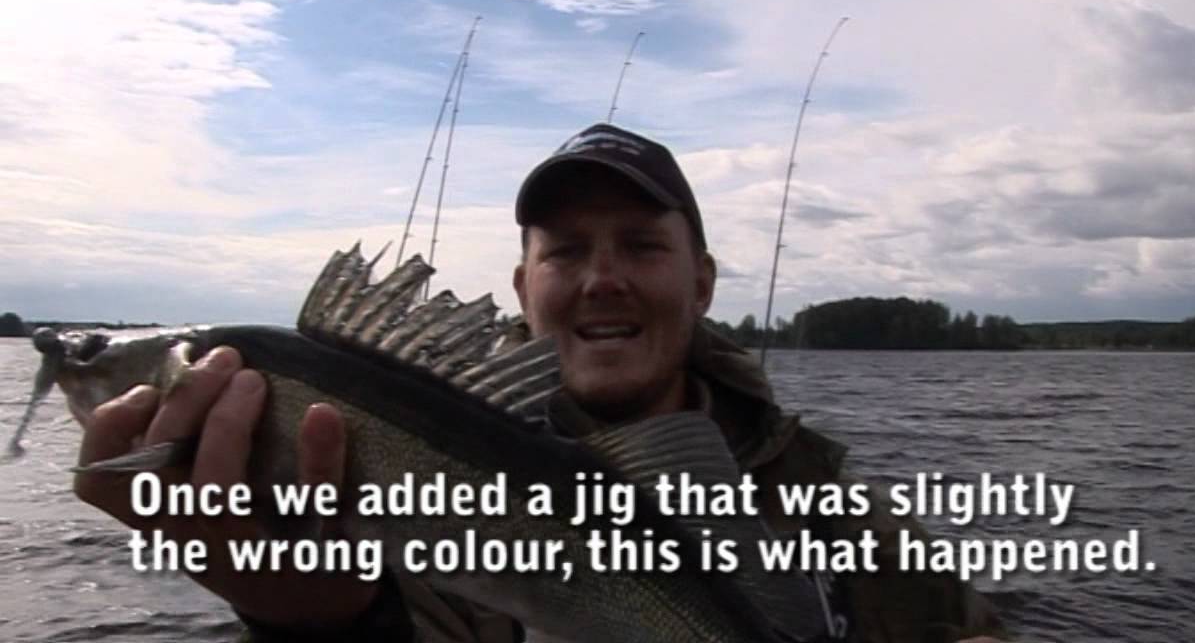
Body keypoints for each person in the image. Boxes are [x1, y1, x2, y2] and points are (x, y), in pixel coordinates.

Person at [74, 123, 1009, 642]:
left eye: (642, 245)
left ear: (705, 281)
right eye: (565, 252)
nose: (603, 278)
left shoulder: (841, 521)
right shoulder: (405, 557)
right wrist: (310, 625)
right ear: (524, 290)